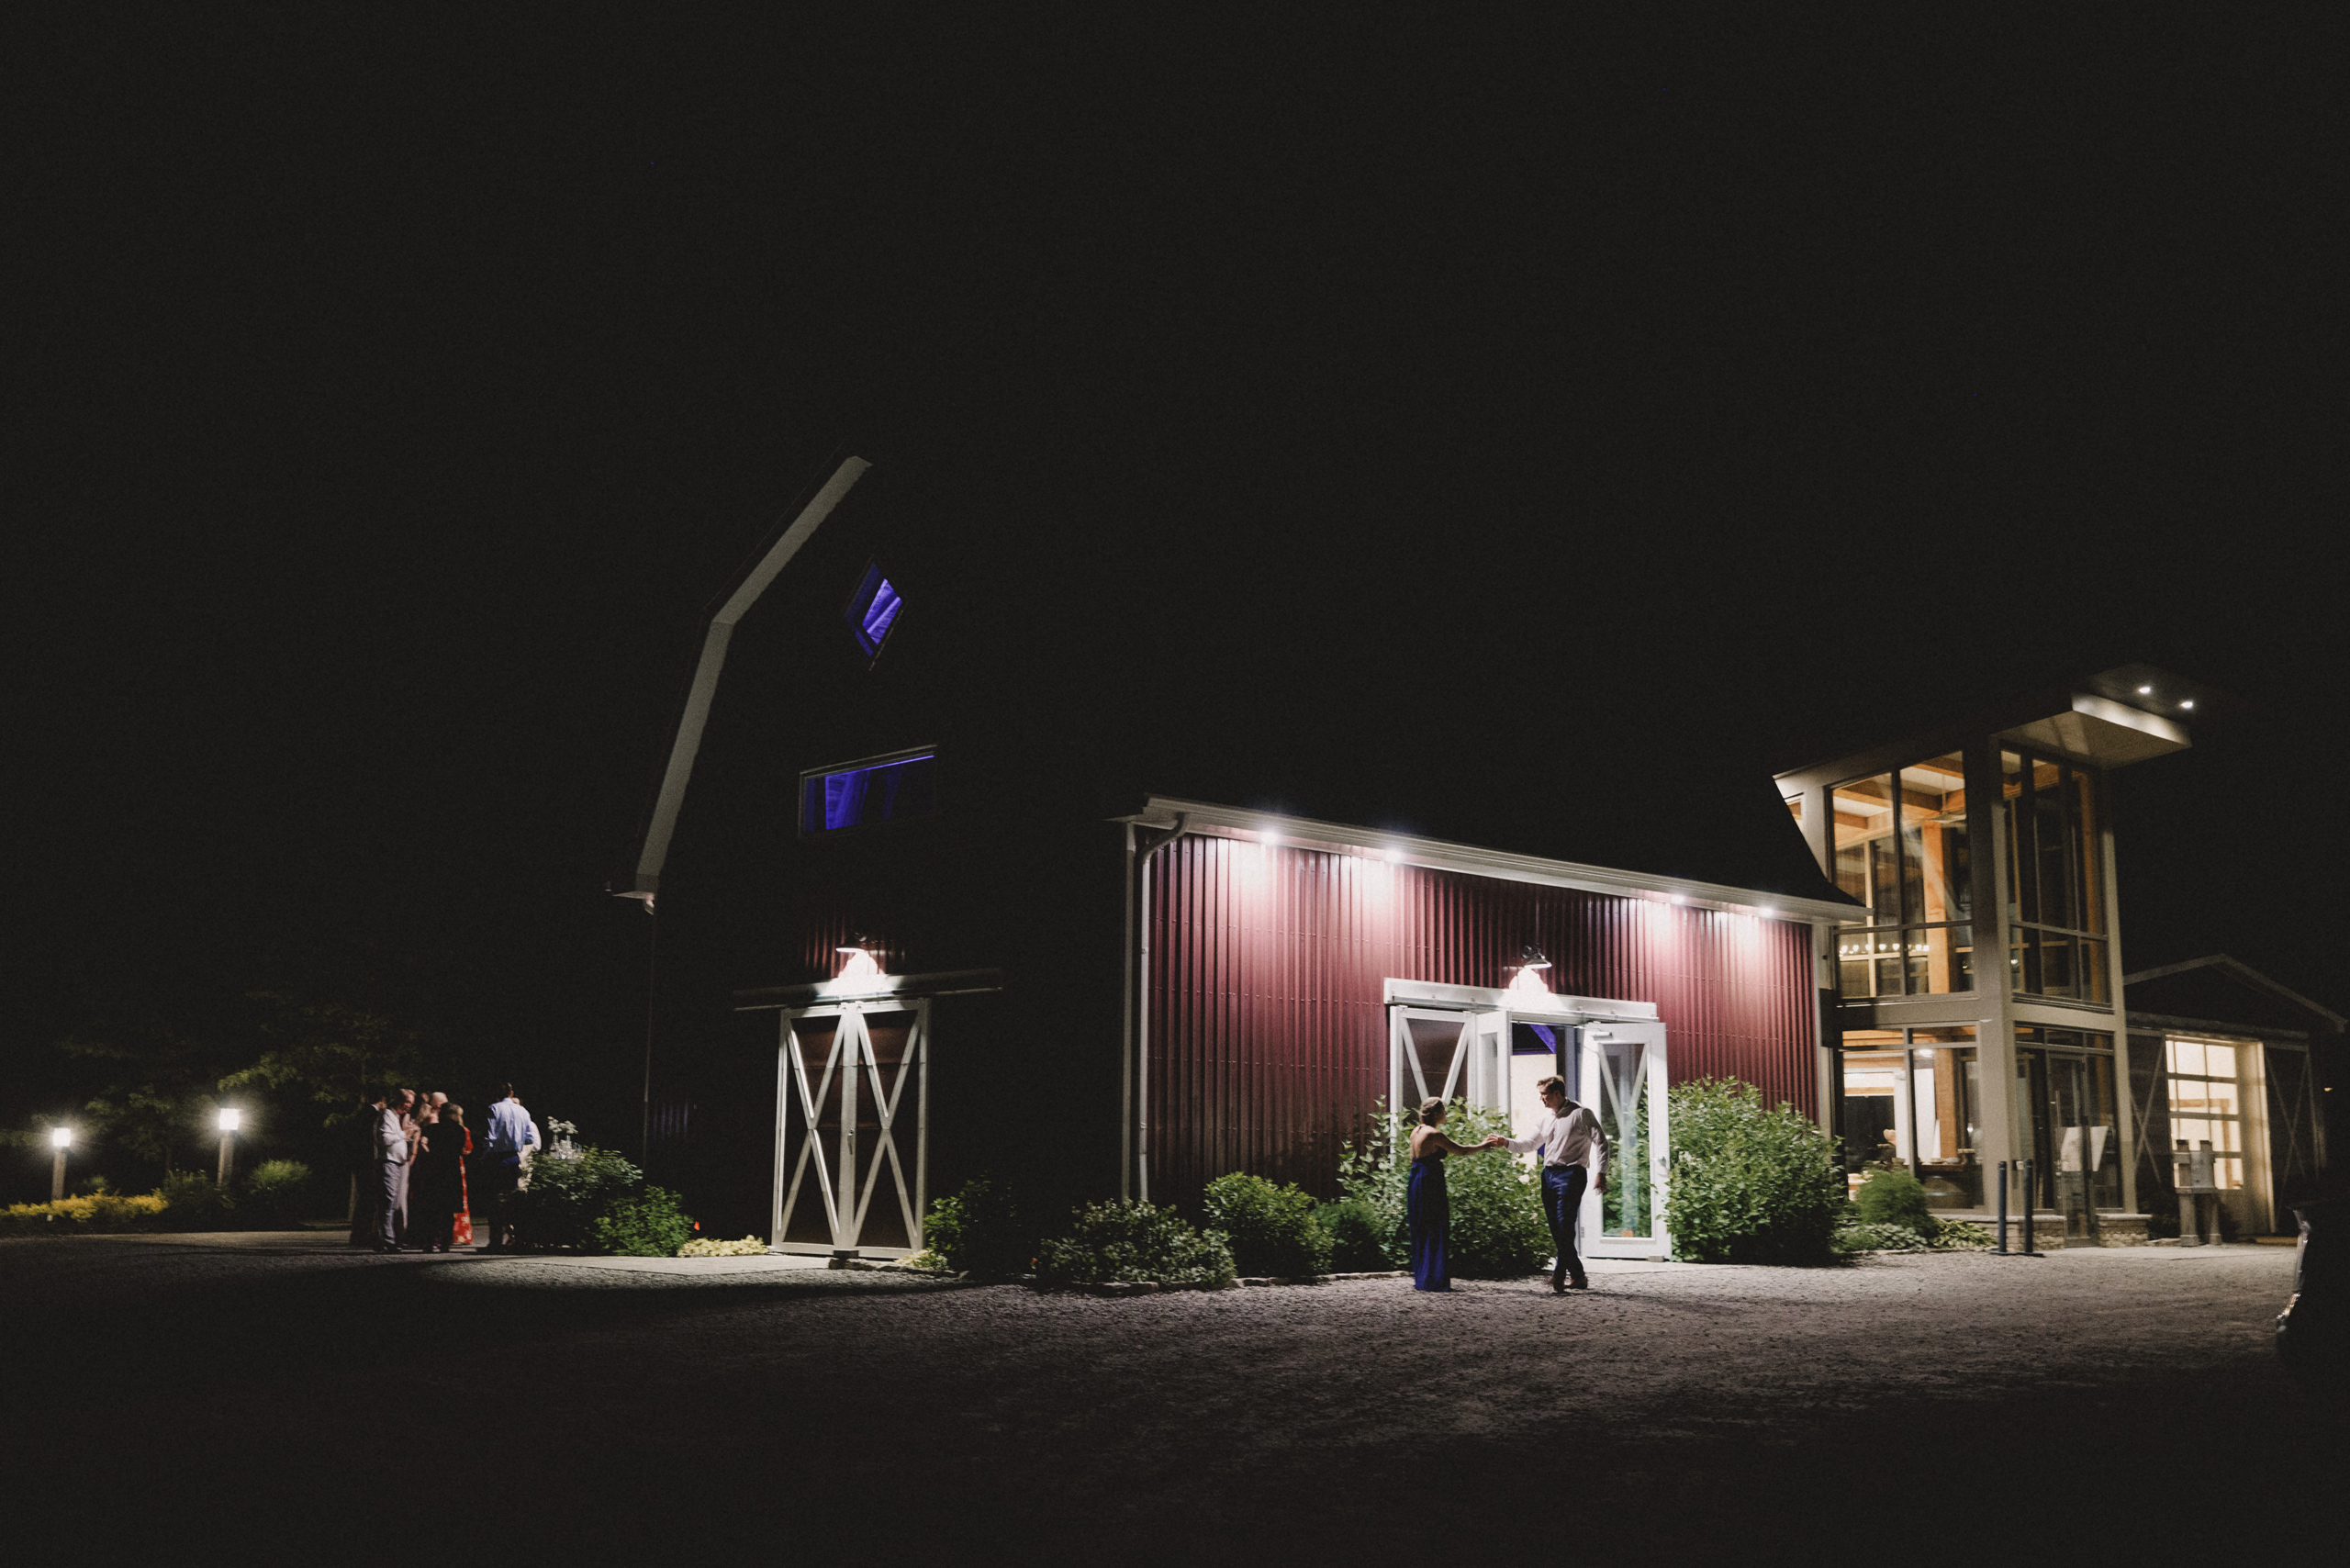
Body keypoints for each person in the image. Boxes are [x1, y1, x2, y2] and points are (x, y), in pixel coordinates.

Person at [1504, 1074, 1609, 1294]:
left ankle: (1559, 1275)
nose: (1541, 1098)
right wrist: (1505, 1143)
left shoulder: (1581, 1114)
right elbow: (1530, 1144)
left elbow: (1601, 1141)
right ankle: (1578, 1276)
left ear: (1557, 1094)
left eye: (1544, 1094)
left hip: (1572, 1175)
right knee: (1557, 1228)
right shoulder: (1546, 1119)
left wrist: (1602, 1172)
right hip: (1549, 1175)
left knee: (1564, 1225)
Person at [1406, 1097, 1509, 1293]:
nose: (1446, 1114)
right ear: (1436, 1113)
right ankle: (1433, 1279)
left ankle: (1423, 1276)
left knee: (1421, 1225)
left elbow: (1412, 1158)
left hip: (1417, 1178)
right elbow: (1461, 1151)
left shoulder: (1416, 1131)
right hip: (1430, 1181)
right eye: (1443, 1111)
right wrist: (1483, 1146)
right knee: (1435, 1226)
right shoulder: (1434, 1134)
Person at [478, 1083, 541, 1251]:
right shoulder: (523, 1111)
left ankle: (496, 1242)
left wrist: (484, 1156)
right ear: (511, 1093)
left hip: (496, 1158)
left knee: (494, 1201)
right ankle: (519, 1240)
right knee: (514, 1201)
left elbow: (490, 1137)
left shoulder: (494, 1109)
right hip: (514, 1157)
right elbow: (529, 1139)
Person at [410, 1099, 467, 1252]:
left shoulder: (432, 1129)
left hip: (434, 1171)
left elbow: (423, 1143)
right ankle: (445, 1243)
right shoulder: (459, 1130)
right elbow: (461, 1150)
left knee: (432, 1208)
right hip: (451, 1170)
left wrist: (430, 1155)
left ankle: (429, 1242)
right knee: (448, 1211)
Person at [372, 1088, 415, 1253]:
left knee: (395, 1204)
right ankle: (387, 1241)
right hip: (388, 1162)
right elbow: (384, 1139)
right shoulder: (386, 1116)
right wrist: (403, 1135)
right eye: (407, 1102)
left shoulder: (396, 1117)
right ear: (398, 1100)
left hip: (398, 1162)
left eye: (411, 1103)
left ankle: (389, 1240)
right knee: (387, 1203)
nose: (409, 1106)